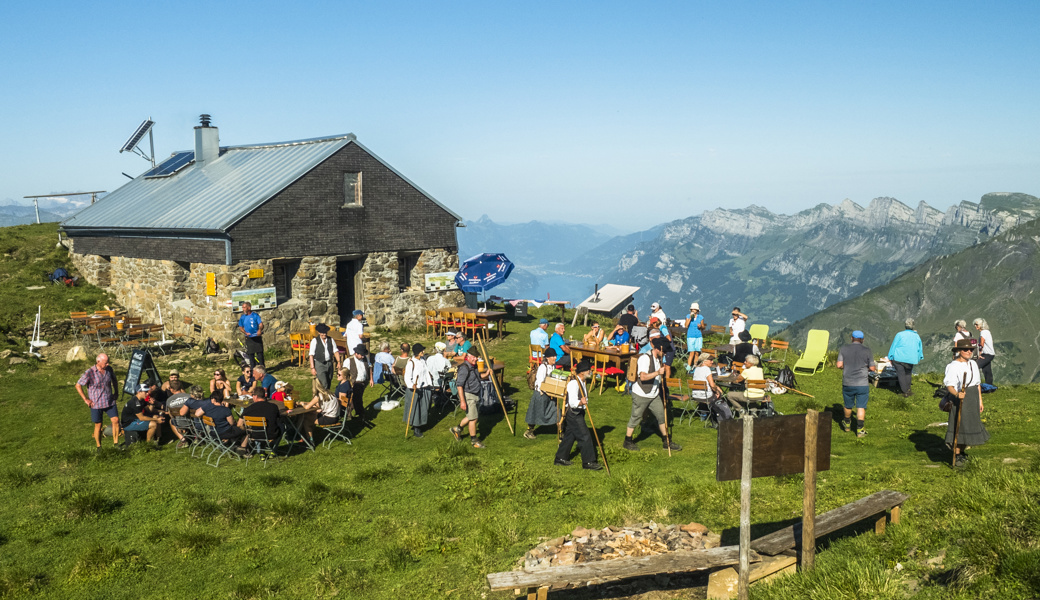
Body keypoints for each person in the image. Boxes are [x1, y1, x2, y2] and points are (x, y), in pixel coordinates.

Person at [624, 338, 682, 452]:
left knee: (661, 416)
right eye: (664, 351)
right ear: (657, 349)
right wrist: (657, 373)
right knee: (636, 417)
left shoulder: (658, 359)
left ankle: (666, 441)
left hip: (654, 394)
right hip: (641, 394)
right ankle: (627, 440)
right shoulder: (645, 358)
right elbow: (643, 377)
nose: (665, 353)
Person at [945, 339, 989, 466]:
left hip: (973, 397)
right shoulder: (953, 366)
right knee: (960, 425)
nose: (969, 351)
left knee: (970, 425)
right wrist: (957, 394)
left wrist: (980, 400)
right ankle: (956, 454)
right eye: (965, 349)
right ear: (959, 351)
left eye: (971, 349)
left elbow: (977, 384)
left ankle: (962, 452)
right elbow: (950, 386)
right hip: (961, 398)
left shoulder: (973, 364)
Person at [553, 359, 603, 470]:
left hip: (579, 412)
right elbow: (572, 402)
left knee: (570, 436)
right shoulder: (574, 384)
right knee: (585, 436)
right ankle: (588, 462)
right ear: (582, 372)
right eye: (589, 370)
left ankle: (560, 458)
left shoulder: (582, 382)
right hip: (574, 414)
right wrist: (581, 402)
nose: (590, 371)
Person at [836, 330, 876, 438]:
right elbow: (872, 368)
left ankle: (847, 423)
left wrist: (848, 366)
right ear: (862, 340)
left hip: (848, 382)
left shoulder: (844, 349)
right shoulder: (867, 350)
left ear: (852, 338)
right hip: (862, 383)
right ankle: (860, 430)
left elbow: (839, 365)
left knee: (848, 405)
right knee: (861, 407)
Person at [76, 353, 121, 449]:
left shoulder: (109, 369)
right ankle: (99, 446)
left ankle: (116, 444)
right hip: (96, 403)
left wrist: (116, 392)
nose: (108, 364)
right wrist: (85, 399)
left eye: (108, 362)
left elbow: (114, 380)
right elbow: (78, 385)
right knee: (98, 425)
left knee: (116, 420)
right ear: (98, 362)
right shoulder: (89, 372)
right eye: (105, 362)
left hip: (109, 400)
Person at [451, 347, 489, 448]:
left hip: (476, 394)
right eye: (474, 357)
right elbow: (459, 385)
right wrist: (462, 401)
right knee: (474, 418)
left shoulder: (474, 366)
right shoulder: (464, 368)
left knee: (471, 416)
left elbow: (478, 377)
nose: (476, 359)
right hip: (468, 395)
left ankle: (457, 429)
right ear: (468, 356)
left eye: (477, 357)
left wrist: (487, 374)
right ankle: (474, 441)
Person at [525, 347, 560, 439]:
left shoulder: (553, 366)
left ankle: (561, 431)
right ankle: (529, 431)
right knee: (535, 413)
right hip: (541, 394)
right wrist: (548, 391)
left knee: (556, 411)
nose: (555, 358)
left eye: (555, 356)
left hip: (550, 393)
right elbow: (540, 383)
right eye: (553, 356)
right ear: (547, 358)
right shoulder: (542, 368)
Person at [887, 318, 924, 397]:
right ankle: (908, 390)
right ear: (913, 326)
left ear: (905, 325)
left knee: (901, 374)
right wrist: (920, 356)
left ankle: (905, 392)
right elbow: (919, 347)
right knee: (908, 373)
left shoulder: (899, 334)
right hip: (911, 359)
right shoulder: (916, 336)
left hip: (899, 358)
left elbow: (894, 346)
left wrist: (890, 356)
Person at [238, 387, 282, 453]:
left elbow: (239, 424)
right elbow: (278, 418)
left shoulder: (249, 409)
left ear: (255, 396)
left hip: (254, 434)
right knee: (282, 426)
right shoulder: (273, 406)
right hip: (271, 434)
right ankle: (273, 449)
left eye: (252, 395)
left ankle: (261, 451)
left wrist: (246, 430)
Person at [402, 343, 433, 437]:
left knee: (424, 407)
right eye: (421, 351)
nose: (423, 352)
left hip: (425, 387)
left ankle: (421, 423)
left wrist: (429, 383)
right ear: (418, 353)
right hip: (416, 389)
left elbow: (426, 372)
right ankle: (416, 429)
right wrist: (412, 385)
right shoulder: (411, 363)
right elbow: (407, 377)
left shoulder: (423, 360)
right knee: (416, 408)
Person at [344, 344, 374, 424]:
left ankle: (349, 414)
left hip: (363, 383)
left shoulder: (365, 358)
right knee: (357, 400)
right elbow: (344, 373)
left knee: (355, 400)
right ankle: (361, 415)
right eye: (361, 355)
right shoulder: (348, 361)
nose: (362, 356)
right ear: (356, 353)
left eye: (363, 355)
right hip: (354, 383)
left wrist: (371, 379)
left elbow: (370, 367)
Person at [309, 323, 341, 392]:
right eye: (322, 333)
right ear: (319, 332)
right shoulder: (315, 341)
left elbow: (335, 351)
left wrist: (338, 362)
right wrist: (312, 368)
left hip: (329, 364)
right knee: (324, 384)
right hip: (320, 364)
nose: (324, 335)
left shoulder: (331, 340)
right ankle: (323, 398)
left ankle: (325, 398)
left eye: (325, 333)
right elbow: (311, 355)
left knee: (329, 382)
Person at [237, 301, 265, 367]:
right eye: (242, 308)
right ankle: (253, 370)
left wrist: (259, 330)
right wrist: (245, 332)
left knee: (260, 355)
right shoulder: (242, 317)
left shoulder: (255, 315)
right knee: (251, 355)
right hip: (249, 338)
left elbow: (261, 324)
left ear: (249, 308)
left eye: (244, 307)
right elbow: (240, 327)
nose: (243, 309)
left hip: (257, 338)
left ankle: (262, 369)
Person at [973, 318, 996, 385]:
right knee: (987, 370)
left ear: (981, 325)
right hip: (990, 354)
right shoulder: (987, 332)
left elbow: (981, 344)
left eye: (977, 324)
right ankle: (989, 386)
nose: (975, 326)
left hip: (986, 354)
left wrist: (978, 354)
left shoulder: (983, 332)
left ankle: (974, 384)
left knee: (975, 366)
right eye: (975, 324)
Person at [684, 302, 706, 368]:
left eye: (694, 309)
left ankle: (695, 366)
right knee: (692, 352)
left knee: (697, 352)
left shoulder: (700, 317)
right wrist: (690, 318)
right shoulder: (688, 316)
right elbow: (686, 325)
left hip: (698, 336)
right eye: (692, 309)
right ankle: (688, 366)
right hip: (691, 336)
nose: (693, 310)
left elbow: (703, 327)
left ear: (697, 310)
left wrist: (701, 326)